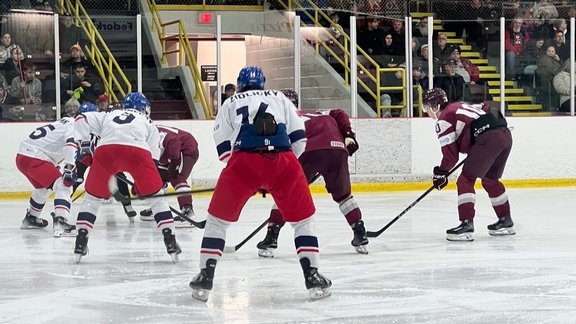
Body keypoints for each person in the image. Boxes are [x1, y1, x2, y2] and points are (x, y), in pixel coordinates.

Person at [189, 66, 331, 302]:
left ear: (240, 83)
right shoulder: (280, 97)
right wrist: (279, 171)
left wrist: (249, 174)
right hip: (283, 160)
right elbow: (299, 139)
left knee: (217, 222)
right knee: (303, 221)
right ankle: (312, 275)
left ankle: (206, 275)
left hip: (243, 161)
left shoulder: (230, 102)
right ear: (263, 83)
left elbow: (223, 149)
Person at [72, 92, 181, 263]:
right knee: (158, 201)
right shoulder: (149, 123)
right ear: (144, 108)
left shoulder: (109, 114)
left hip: (106, 151)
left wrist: (84, 145)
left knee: (92, 200)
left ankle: (81, 241)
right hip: (137, 152)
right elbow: (152, 161)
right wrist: (142, 186)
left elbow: (81, 118)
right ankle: (170, 240)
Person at [256, 89, 367, 256]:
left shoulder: (282, 119)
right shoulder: (317, 113)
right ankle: (360, 232)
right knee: (344, 196)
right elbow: (339, 113)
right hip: (337, 149)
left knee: (285, 192)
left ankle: (271, 238)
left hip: (309, 150)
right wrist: (348, 135)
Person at [422, 88, 514, 242]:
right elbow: (488, 109)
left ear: (435, 106)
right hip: (504, 135)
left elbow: (451, 156)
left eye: (426, 108)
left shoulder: (444, 119)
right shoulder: (460, 106)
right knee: (490, 180)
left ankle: (466, 224)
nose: (426, 112)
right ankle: (506, 221)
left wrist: (441, 173)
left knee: (465, 180)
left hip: (488, 139)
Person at [15, 97, 80, 237]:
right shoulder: (75, 124)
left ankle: (31, 218)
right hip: (36, 158)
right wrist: (69, 169)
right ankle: (61, 222)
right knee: (64, 185)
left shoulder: (62, 122)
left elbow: (53, 145)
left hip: (22, 157)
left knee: (43, 188)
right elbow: (70, 144)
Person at [139, 125, 200, 228]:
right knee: (156, 178)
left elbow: (174, 140)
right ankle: (158, 208)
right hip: (168, 151)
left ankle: (187, 211)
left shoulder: (152, 132)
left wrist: (175, 162)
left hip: (185, 147)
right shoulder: (140, 135)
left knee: (177, 177)